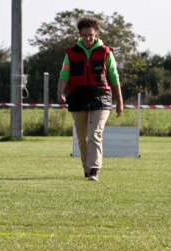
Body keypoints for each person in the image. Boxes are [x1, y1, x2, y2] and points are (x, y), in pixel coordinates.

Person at [57, 17, 124, 181]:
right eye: (85, 35)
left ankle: (95, 169)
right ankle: (86, 168)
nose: (88, 38)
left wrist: (120, 101)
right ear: (80, 35)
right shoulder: (71, 54)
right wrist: (60, 92)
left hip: (101, 98)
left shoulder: (106, 52)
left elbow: (114, 77)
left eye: (91, 35)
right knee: (82, 138)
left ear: (96, 34)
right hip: (77, 98)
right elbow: (64, 74)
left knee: (95, 134)